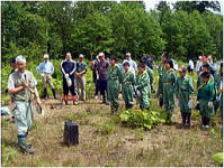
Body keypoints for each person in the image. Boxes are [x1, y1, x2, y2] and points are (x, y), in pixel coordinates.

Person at [7, 55, 41, 154]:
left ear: (26, 64)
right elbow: (11, 90)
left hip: (29, 102)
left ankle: (23, 142)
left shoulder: (30, 74)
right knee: (22, 123)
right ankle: (23, 147)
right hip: (19, 102)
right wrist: (22, 87)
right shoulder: (12, 76)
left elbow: (34, 87)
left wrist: (37, 98)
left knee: (29, 124)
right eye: (18, 64)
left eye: (22, 64)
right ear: (16, 65)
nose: (20, 66)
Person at [163, 59, 177, 123]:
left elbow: (175, 81)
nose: (166, 65)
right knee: (166, 101)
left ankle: (171, 115)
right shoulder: (165, 71)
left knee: (170, 101)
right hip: (165, 87)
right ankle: (166, 114)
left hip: (170, 87)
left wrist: (174, 90)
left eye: (167, 63)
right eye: (165, 63)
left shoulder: (173, 72)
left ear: (170, 64)